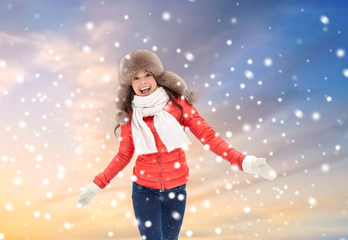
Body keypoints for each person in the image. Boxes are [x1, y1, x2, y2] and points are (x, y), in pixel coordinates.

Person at [77, 49, 276, 240]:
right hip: (143, 191)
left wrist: (245, 162)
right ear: (130, 84)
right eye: (135, 77)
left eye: (147, 74)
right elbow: (123, 156)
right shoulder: (131, 116)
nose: (143, 81)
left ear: (157, 76)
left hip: (176, 188)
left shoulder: (179, 106)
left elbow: (209, 137)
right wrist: (95, 186)